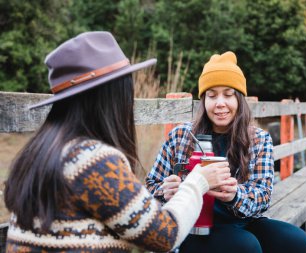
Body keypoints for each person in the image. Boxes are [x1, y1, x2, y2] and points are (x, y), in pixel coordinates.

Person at [4, 32, 232, 253]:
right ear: (112, 97)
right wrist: (197, 181)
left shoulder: (37, 152)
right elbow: (165, 236)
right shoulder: (92, 159)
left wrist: (168, 192)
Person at [146, 51, 306, 253]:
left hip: (241, 220)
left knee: (297, 242)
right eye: (212, 95)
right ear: (203, 100)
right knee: (246, 247)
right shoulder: (181, 136)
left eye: (228, 94)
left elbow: (263, 196)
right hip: (194, 227)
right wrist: (165, 192)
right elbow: (150, 187)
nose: (220, 103)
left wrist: (235, 194)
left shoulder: (259, 139)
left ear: (239, 100)